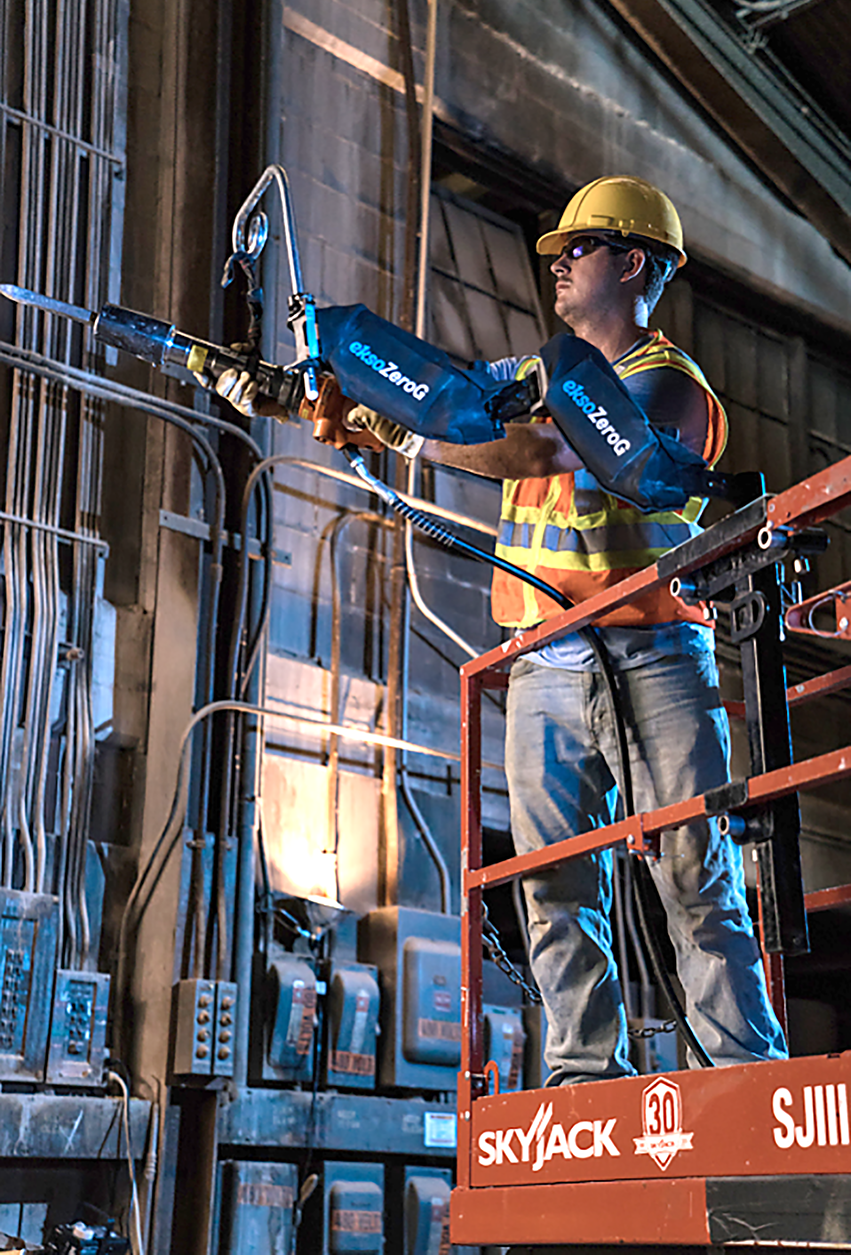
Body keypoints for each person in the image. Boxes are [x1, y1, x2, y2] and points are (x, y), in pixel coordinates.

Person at [218, 174, 788, 1083]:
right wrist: (358, 410)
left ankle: (744, 1074)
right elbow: (465, 412)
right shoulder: (536, 379)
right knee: (552, 881)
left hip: (652, 653)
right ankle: (578, 1077)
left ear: (632, 262)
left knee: (692, 870)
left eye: (578, 248)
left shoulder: (666, 383)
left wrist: (403, 436)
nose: (556, 263)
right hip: (543, 659)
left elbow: (547, 450)